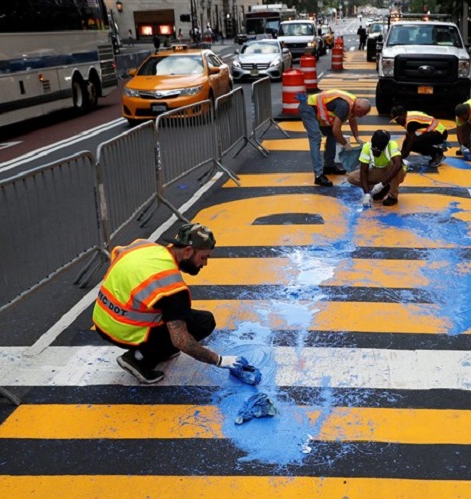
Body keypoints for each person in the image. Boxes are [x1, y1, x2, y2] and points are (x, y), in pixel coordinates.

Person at [92, 223, 257, 385]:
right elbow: (182, 341)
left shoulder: (143, 246)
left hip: (102, 320)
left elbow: (118, 258)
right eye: (203, 257)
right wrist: (220, 360)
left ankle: (157, 348)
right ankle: (139, 359)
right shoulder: (171, 288)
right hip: (123, 331)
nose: (204, 264)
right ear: (187, 251)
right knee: (203, 322)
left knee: (177, 313)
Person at [297, 89, 372, 186]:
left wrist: (357, 137)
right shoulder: (344, 106)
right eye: (362, 113)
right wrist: (346, 144)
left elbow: (352, 119)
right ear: (358, 107)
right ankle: (318, 176)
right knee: (315, 138)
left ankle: (329, 166)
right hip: (308, 108)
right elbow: (336, 130)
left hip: (316, 109)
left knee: (332, 136)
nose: (361, 117)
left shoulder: (352, 103)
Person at [347, 129, 407, 207]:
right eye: (374, 149)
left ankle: (392, 196)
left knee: (395, 164)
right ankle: (384, 188)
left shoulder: (392, 145)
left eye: (379, 150)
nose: (376, 152)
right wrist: (366, 193)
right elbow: (364, 171)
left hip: (395, 173)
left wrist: (382, 184)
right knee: (352, 177)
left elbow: (398, 164)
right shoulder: (367, 147)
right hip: (380, 171)